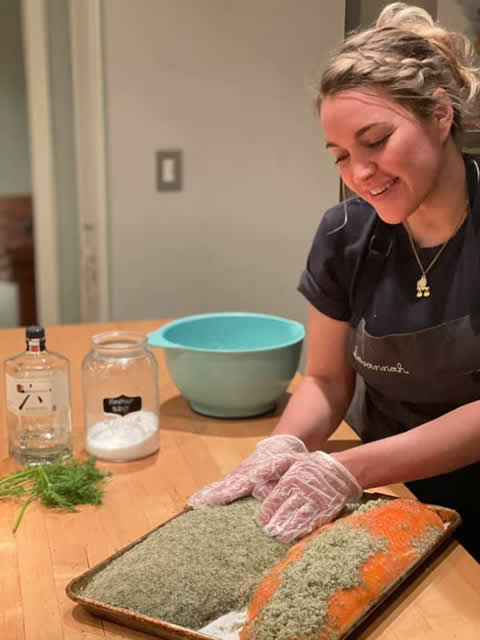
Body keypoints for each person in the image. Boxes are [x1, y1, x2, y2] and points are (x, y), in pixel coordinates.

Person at [188, 2, 480, 562]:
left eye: (376, 140)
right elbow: (325, 381)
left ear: (441, 115)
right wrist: (283, 447)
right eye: (341, 156)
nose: (360, 173)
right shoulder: (345, 234)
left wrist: (348, 467)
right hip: (390, 496)